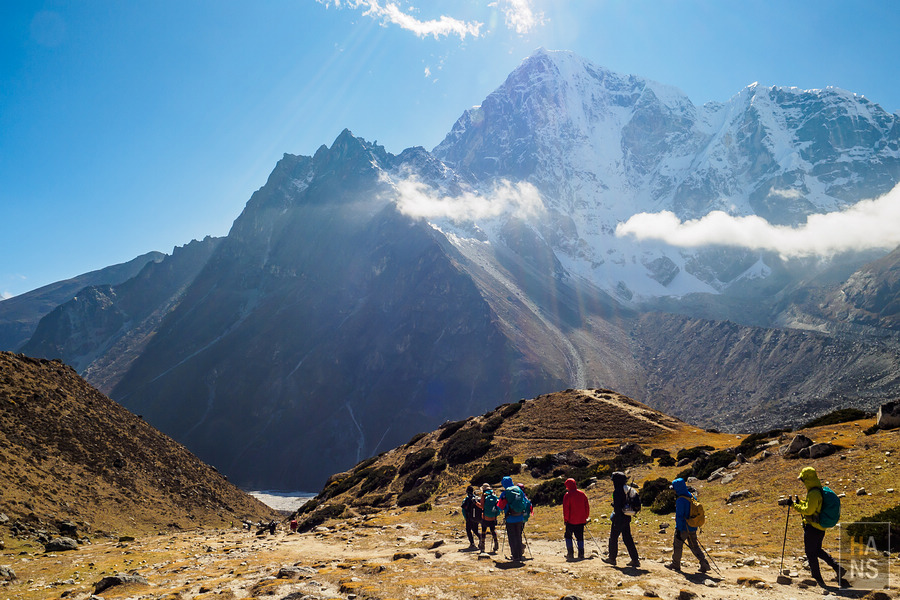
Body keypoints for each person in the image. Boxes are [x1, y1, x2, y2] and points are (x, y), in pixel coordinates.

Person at [792, 467, 847, 587]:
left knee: (810, 553)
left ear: (807, 479)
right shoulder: (818, 490)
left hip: (812, 527)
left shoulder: (813, 493)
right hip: (820, 528)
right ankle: (837, 568)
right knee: (817, 550)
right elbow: (811, 507)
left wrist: (793, 506)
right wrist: (799, 503)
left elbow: (808, 510)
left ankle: (817, 579)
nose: (802, 482)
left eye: (802, 479)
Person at [665, 478, 710, 573]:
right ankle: (704, 563)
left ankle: (675, 564)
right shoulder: (692, 496)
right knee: (694, 546)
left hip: (683, 528)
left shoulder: (680, 500)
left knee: (677, 546)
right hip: (692, 526)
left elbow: (680, 517)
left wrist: (679, 530)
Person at [604, 471, 640, 567]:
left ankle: (612, 558)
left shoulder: (617, 491)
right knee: (627, 538)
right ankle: (635, 559)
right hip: (627, 517)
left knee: (613, 538)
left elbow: (617, 508)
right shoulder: (627, 489)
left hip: (618, 518)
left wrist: (616, 518)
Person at [497, 476, 531, 563]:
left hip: (510, 518)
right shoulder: (519, 490)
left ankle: (515, 556)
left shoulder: (505, 493)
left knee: (512, 538)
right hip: (520, 517)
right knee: (518, 536)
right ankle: (520, 555)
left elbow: (500, 507)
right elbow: (525, 502)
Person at [562, 477, 590, 560]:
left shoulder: (567, 495)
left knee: (568, 536)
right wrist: (585, 517)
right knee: (580, 537)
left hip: (571, 521)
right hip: (581, 520)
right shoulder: (582, 494)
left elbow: (566, 509)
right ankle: (581, 554)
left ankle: (570, 553)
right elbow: (587, 506)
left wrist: (566, 519)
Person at [477, 483, 500, 553]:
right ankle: (496, 544)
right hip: (493, 517)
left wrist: (475, 503)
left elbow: (482, 506)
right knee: (493, 530)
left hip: (485, 517)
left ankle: (482, 546)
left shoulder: (484, 495)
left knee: (483, 530)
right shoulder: (494, 494)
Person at [461, 485, 482, 549]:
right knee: (475, 530)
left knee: (468, 530)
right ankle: (481, 538)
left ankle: (472, 543)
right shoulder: (477, 498)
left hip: (469, 517)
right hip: (476, 517)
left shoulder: (466, 499)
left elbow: (464, 509)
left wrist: (465, 517)